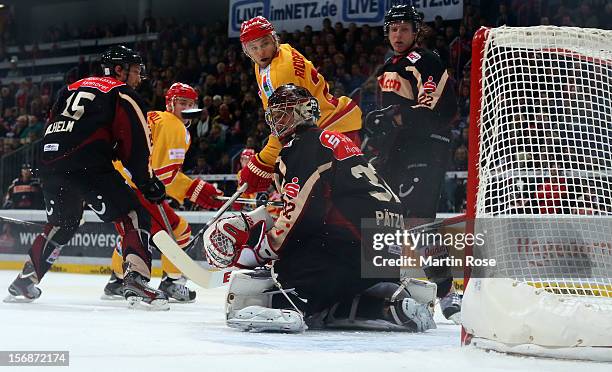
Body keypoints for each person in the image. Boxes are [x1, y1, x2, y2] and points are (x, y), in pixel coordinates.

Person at [202, 85, 437, 333]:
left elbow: (303, 213)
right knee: (333, 304)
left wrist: (261, 251)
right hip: (385, 255)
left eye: (284, 113)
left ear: (303, 113)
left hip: (348, 248)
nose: (278, 121)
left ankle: (292, 302)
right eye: (276, 115)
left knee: (286, 269)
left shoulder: (303, 144)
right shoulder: (337, 141)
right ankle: (385, 306)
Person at [4, 45, 168, 308]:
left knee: (62, 222)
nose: (138, 78)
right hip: (85, 163)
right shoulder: (122, 93)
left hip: (48, 160)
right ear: (119, 70)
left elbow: (55, 123)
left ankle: (26, 279)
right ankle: (136, 280)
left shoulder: (70, 87)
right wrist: (147, 181)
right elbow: (135, 143)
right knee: (133, 215)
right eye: (136, 71)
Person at [373, 5, 461, 323]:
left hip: (426, 149)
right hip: (397, 151)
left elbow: (441, 106)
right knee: (382, 215)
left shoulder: (426, 60)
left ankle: (448, 292)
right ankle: (382, 284)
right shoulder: (387, 67)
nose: (398, 35)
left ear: (416, 32)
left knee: (418, 221)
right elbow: (392, 117)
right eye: (394, 29)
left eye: (405, 29)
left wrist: (397, 116)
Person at [103, 82, 224, 302]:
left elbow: (156, 169)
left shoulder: (155, 117)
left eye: (191, 103)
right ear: (170, 104)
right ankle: (172, 282)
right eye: (182, 103)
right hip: (136, 187)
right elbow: (161, 173)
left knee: (133, 233)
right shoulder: (174, 126)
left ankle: (116, 280)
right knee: (178, 231)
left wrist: (193, 189)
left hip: (118, 183)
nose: (187, 107)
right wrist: (195, 190)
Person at [236, 16, 363, 194]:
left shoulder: (280, 73)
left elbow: (290, 125)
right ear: (246, 51)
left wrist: (263, 161)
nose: (260, 52)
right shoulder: (278, 55)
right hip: (329, 125)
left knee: (319, 204)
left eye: (264, 44)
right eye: (253, 48)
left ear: (274, 40)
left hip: (329, 134)